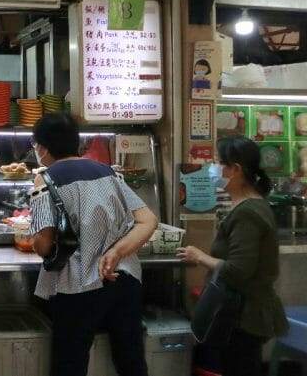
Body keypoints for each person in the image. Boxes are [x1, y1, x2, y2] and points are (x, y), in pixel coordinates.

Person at [28, 112, 157, 376]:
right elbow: (147, 221)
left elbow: (43, 245)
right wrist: (115, 252)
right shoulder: (108, 172)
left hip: (78, 285)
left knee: (70, 364)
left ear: (41, 147)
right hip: (123, 280)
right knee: (131, 361)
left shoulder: (46, 179)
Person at [176, 135, 288, 376]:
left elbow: (238, 271)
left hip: (244, 317)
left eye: (217, 162)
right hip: (240, 314)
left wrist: (199, 257)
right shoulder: (247, 206)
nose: (212, 168)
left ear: (235, 169)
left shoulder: (249, 213)